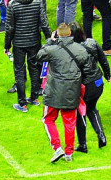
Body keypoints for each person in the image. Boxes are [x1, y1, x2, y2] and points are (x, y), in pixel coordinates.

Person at [37, 23, 90, 163]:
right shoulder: (80, 49)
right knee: (69, 123)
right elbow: (85, 63)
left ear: (58, 35)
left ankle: (57, 148)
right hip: (72, 91)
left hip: (53, 91)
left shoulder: (52, 50)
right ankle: (69, 153)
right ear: (70, 34)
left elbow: (39, 55)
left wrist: (49, 41)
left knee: (48, 119)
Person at [4, 0, 50, 111]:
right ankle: (34, 97)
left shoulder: (12, 4)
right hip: (35, 41)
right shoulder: (37, 1)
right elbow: (44, 22)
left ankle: (22, 103)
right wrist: (49, 39)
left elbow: (10, 28)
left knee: (19, 71)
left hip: (19, 43)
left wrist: (7, 45)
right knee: (34, 68)